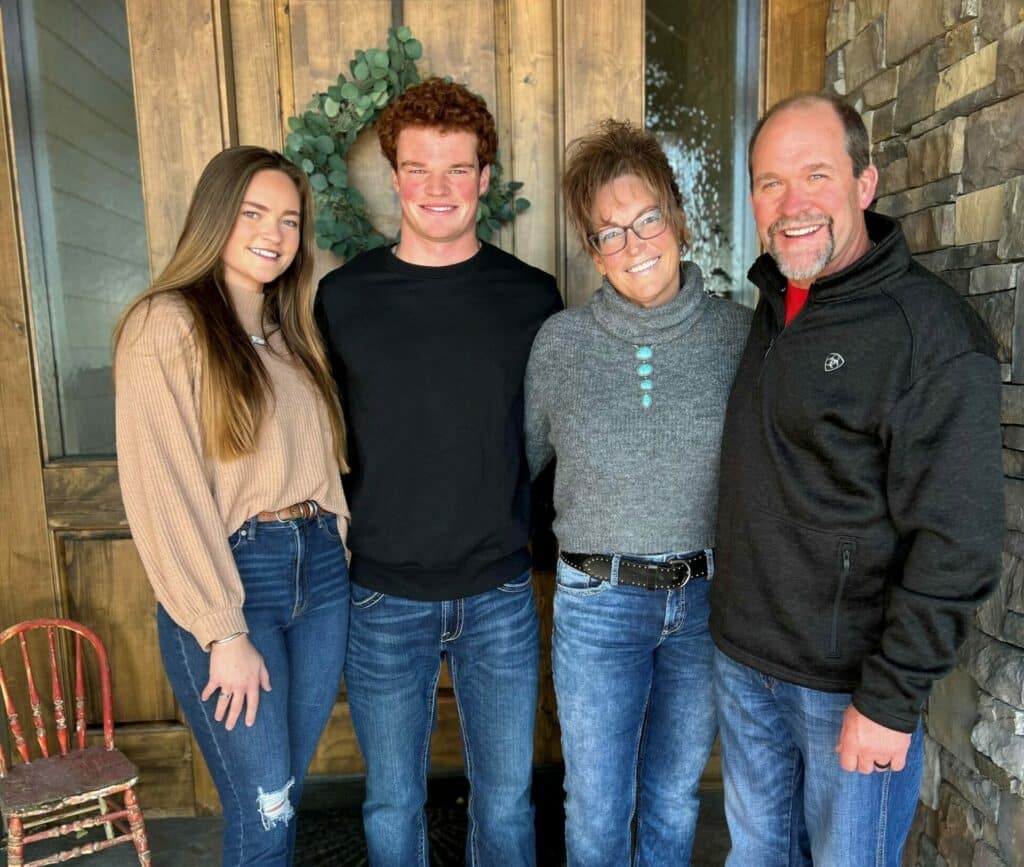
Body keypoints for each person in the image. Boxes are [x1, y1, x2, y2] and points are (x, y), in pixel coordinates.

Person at [710, 93, 1005, 866]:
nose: (793, 204)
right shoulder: (774, 303)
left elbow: (958, 542)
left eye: (816, 174)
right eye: (771, 182)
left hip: (849, 689)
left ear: (864, 183)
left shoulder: (929, 337)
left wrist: (889, 697)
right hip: (746, 665)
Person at [315, 78, 561, 866]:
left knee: (507, 803)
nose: (438, 187)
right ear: (393, 177)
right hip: (382, 595)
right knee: (392, 802)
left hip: (499, 594)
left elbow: (552, 439)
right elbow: (315, 436)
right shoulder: (343, 298)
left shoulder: (532, 299)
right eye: (418, 168)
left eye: (457, 168)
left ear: (484, 177)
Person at [524, 119, 751, 866]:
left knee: (675, 795)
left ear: (678, 219)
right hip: (598, 604)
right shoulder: (560, 345)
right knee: (595, 805)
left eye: (647, 218)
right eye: (610, 232)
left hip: (706, 601)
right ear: (594, 252)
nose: (634, 243)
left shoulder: (741, 337)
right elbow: (521, 467)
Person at [115, 146, 350, 866]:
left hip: (322, 577)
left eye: (289, 220)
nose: (274, 233)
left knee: (284, 794)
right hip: (238, 583)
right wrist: (222, 630)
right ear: (215, 217)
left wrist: (340, 539)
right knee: (266, 813)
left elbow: (321, 463)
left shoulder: (290, 333)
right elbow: (163, 488)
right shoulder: (165, 325)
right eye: (253, 213)